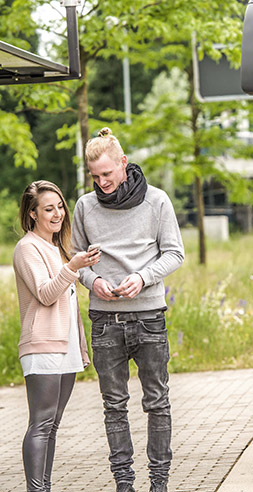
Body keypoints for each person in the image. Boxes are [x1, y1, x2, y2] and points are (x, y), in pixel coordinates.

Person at [72, 128, 185, 492]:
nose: (102, 182)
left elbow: (174, 253)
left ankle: (159, 483)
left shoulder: (157, 201)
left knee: (157, 402)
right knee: (114, 406)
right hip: (106, 321)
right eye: (95, 176)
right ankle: (124, 484)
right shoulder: (84, 207)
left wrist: (143, 277)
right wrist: (94, 282)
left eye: (107, 173)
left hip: (149, 317)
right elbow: (77, 263)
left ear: (123, 163)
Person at [13, 180, 98, 492]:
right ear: (33, 214)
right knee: (41, 423)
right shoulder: (27, 248)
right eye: (48, 209)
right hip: (42, 346)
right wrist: (73, 266)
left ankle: (44, 487)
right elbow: (46, 295)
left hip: (66, 346)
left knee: (52, 425)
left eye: (60, 206)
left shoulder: (57, 248)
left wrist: (80, 347)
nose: (57, 213)